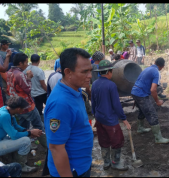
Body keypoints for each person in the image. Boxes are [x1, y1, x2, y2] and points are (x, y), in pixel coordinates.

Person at [44, 48, 94, 177]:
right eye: (85, 72)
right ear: (68, 72)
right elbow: (56, 148)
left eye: (90, 70)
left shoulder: (75, 91)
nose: (90, 76)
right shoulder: (60, 103)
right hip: (71, 170)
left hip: (80, 165)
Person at [91, 59, 131, 171]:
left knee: (103, 140)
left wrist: (95, 115)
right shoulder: (111, 85)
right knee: (117, 141)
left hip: (99, 118)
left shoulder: (94, 84)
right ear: (109, 72)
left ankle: (106, 162)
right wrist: (124, 119)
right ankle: (115, 162)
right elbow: (116, 104)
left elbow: (93, 102)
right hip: (110, 120)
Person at [6, 53, 47, 149]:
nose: (27, 64)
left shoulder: (9, 72)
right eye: (25, 62)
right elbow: (28, 89)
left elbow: (8, 89)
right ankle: (48, 145)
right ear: (20, 63)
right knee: (38, 125)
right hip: (27, 106)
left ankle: (26, 144)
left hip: (17, 105)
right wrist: (29, 78)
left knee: (23, 125)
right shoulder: (20, 74)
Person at [131, 57, 169, 144]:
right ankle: (158, 138)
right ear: (162, 66)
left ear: (154, 62)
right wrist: (157, 101)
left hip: (135, 91)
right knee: (152, 113)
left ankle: (140, 128)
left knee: (142, 110)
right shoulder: (156, 72)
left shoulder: (147, 68)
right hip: (140, 94)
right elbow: (153, 90)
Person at [0, 96, 43, 173]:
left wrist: (27, 130)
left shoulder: (6, 109)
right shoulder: (5, 115)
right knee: (26, 141)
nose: (24, 110)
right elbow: (14, 135)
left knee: (22, 137)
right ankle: (21, 166)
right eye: (23, 108)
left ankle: (13, 160)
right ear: (18, 109)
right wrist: (30, 133)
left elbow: (16, 126)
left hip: (2, 138)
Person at [23, 54, 47, 119]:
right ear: (39, 60)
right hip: (41, 93)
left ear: (30, 60)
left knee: (38, 110)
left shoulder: (26, 70)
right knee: (49, 106)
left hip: (33, 94)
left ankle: (40, 122)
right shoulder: (39, 70)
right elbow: (43, 84)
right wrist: (48, 91)